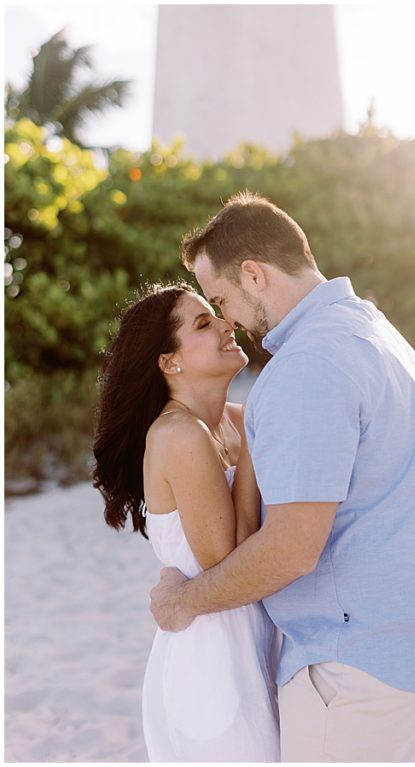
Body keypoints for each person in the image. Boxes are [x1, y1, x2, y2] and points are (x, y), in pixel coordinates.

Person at [148, 191, 415, 761]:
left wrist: (187, 600)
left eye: (222, 299)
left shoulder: (306, 368)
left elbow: (294, 549)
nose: (229, 321)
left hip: (352, 664)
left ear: (253, 274)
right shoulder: (371, 329)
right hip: (408, 642)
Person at [92, 283, 280, 761]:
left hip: (262, 642)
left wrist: (253, 424)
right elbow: (228, 559)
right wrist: (256, 437)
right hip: (211, 663)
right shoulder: (177, 434)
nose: (226, 324)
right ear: (169, 362)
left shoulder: (236, 419)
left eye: (216, 314)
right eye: (203, 323)